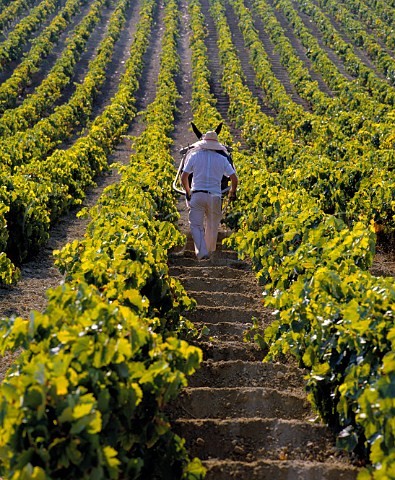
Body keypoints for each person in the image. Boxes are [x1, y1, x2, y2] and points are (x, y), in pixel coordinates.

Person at [180, 130, 238, 260]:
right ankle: (211, 252)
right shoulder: (222, 159)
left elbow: (184, 177)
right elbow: (234, 178)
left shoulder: (194, 156)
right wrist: (232, 192)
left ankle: (202, 253)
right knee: (212, 226)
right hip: (215, 196)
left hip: (198, 194)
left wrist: (189, 192)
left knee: (196, 225)